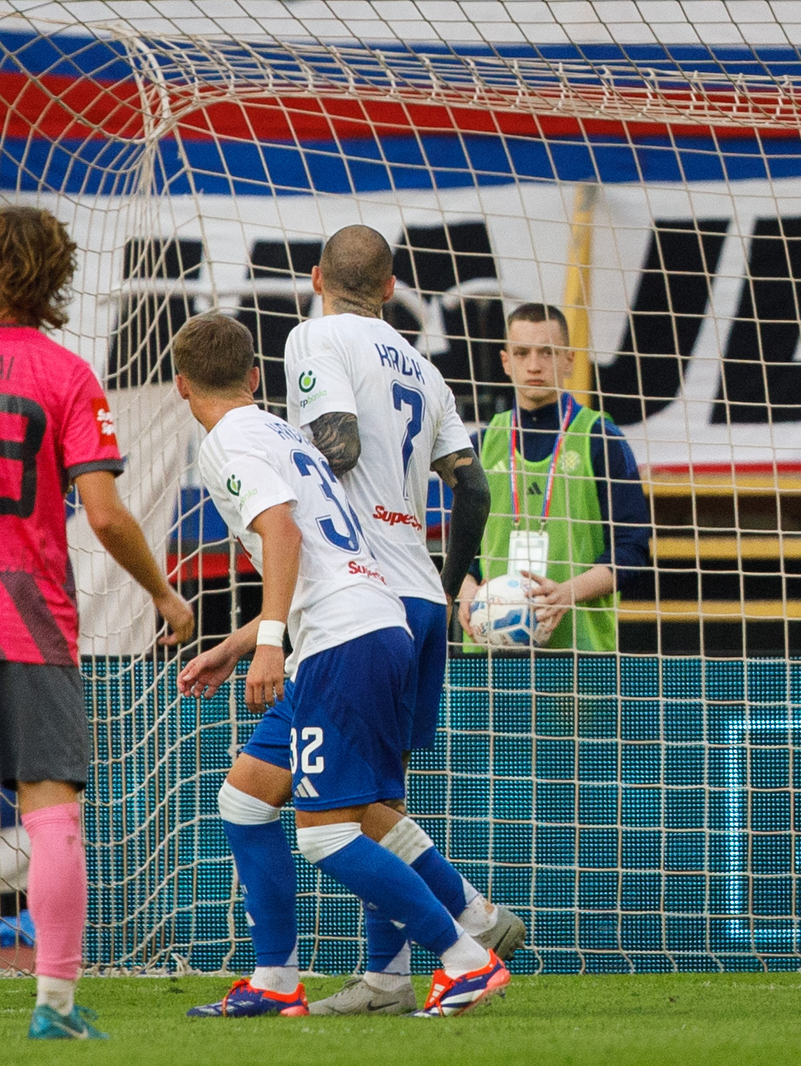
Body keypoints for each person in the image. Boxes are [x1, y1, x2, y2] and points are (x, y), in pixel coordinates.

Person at [171, 314, 508, 1018]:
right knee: (247, 797)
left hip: (341, 639)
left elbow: (284, 532)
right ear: (256, 378)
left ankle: (466, 955)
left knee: (328, 830)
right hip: (364, 622)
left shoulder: (225, 442)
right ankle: (275, 980)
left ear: (180, 385)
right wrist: (245, 644)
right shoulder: (282, 432)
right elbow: (316, 547)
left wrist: (268, 644)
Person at [280, 225, 521, 1014]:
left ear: (318, 278)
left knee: (334, 815)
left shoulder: (314, 336)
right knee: (380, 797)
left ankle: (462, 929)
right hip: (418, 591)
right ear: (390, 289)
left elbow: (337, 447)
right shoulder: (423, 365)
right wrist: (450, 588)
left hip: (359, 593)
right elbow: (475, 491)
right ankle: (391, 974)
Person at [0, 206, 195, 1039]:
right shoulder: (65, 374)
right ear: (57, 276)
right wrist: (163, 593)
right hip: (25, 615)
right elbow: (108, 515)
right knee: (51, 815)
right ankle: (55, 1008)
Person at [456, 303, 649, 651]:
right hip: (489, 653)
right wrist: (466, 586)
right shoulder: (481, 446)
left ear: (569, 360)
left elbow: (633, 550)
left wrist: (566, 593)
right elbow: (462, 548)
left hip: (580, 657)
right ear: (505, 361)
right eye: (522, 352)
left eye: (547, 352)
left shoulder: (601, 441)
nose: (534, 365)